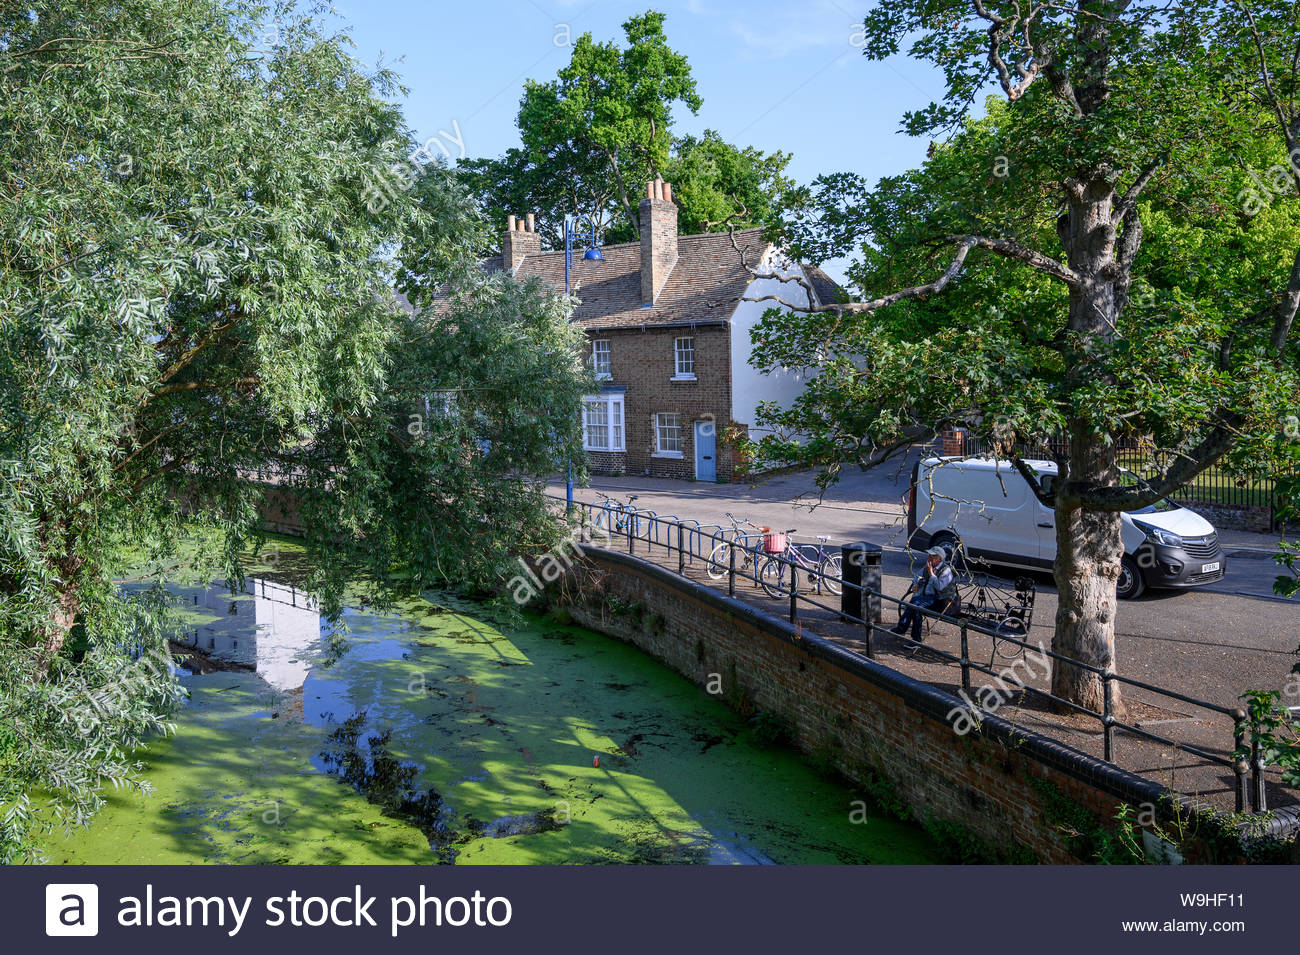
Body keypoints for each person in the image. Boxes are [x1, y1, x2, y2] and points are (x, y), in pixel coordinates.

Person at [891, 546, 958, 643]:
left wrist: (931, 574)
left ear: (939, 559)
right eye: (929, 555)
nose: (929, 557)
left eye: (932, 556)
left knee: (916, 606)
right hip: (926, 598)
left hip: (940, 600)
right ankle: (914, 639)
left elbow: (940, 587)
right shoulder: (927, 567)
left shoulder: (946, 570)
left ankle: (904, 631)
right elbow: (917, 576)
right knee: (915, 606)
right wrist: (916, 583)